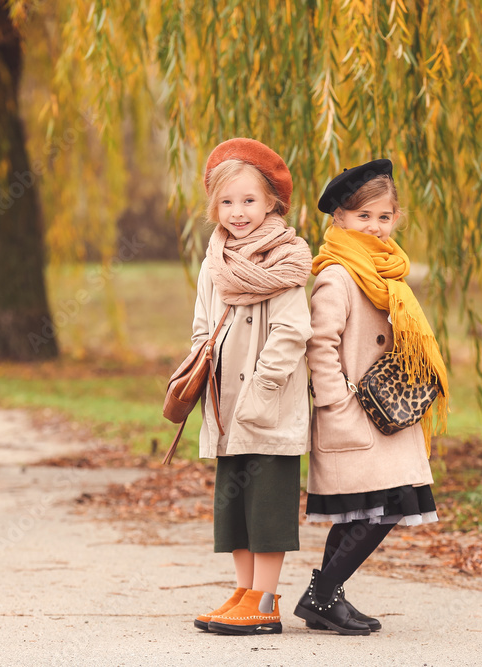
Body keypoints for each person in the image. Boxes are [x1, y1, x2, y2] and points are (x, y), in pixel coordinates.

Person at [293, 159, 449, 635]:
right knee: (386, 507)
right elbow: (320, 344)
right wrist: (337, 404)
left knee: (368, 509)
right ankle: (322, 595)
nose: (375, 227)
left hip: (390, 415)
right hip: (354, 413)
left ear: (396, 218)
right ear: (338, 219)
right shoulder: (337, 275)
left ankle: (328, 597)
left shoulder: (388, 273)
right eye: (363, 217)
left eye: (384, 217)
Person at [188, 138, 313, 635]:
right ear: (214, 206)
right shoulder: (214, 260)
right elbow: (202, 321)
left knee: (268, 505)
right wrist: (204, 366)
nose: (237, 212)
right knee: (234, 504)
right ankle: (242, 591)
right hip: (225, 400)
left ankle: (265, 602)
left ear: (271, 204)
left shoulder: (284, 260)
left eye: (248, 201)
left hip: (268, 403)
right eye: (227, 202)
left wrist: (261, 388)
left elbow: (292, 330)